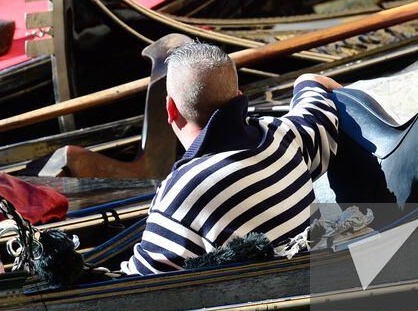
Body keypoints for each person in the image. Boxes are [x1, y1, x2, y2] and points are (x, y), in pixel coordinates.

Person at [121, 42, 340, 275]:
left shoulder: (181, 192)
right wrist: (304, 81)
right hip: (318, 279)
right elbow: (315, 97)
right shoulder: (283, 136)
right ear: (238, 96)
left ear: (170, 109)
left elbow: (139, 285)